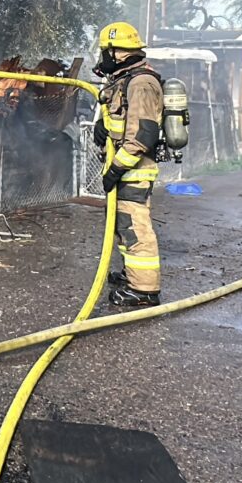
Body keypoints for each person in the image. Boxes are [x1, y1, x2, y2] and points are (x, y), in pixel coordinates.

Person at [92, 22, 164, 307]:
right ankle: (132, 275)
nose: (103, 57)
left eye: (105, 51)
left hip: (134, 170)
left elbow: (143, 134)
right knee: (124, 225)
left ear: (117, 51)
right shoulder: (124, 80)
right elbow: (122, 122)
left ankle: (145, 290)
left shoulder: (141, 83)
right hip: (127, 168)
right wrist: (102, 126)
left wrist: (116, 169)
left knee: (135, 227)